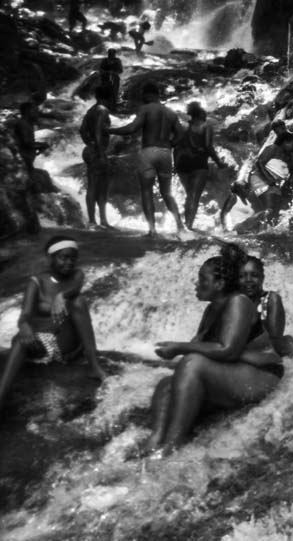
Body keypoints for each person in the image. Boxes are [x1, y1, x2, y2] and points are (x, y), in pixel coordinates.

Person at [144, 244, 282, 451]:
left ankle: (173, 444)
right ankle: (155, 441)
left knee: (193, 363)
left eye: (202, 279)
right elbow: (198, 345)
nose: (197, 284)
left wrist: (179, 348)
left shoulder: (239, 301)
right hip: (235, 373)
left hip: (260, 375)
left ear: (219, 283)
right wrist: (183, 349)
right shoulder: (211, 309)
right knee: (166, 384)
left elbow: (228, 350)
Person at [0, 237, 107, 414]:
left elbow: (76, 289)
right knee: (19, 340)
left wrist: (61, 296)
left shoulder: (77, 275)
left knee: (78, 302)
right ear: (50, 258)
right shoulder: (36, 282)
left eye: (73, 258)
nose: (69, 262)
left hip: (68, 343)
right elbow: (25, 315)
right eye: (63, 258)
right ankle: (1, 397)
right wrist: (25, 326)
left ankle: (94, 366)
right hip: (43, 343)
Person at [108, 82, 185, 237]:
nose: (142, 98)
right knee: (167, 193)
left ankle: (152, 230)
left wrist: (110, 130)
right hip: (165, 153)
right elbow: (181, 133)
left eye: (144, 95)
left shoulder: (145, 109)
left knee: (146, 191)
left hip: (148, 151)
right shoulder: (170, 113)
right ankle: (180, 227)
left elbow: (131, 128)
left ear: (150, 94)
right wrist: (171, 144)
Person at [238, 256, 293, 359]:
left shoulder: (271, 299)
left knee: (286, 342)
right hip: (244, 352)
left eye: (254, 275)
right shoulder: (232, 301)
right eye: (242, 276)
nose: (248, 280)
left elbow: (275, 339)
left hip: (272, 351)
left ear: (262, 278)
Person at [175, 101, 226, 230]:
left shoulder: (183, 127)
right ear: (201, 114)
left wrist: (175, 165)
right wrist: (219, 162)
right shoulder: (206, 126)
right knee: (194, 196)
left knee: (189, 195)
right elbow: (208, 146)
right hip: (198, 163)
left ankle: (184, 225)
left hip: (182, 163)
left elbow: (176, 147)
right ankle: (188, 226)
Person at [80, 85, 113, 228]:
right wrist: (100, 152)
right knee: (98, 186)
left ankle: (98, 221)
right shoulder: (102, 110)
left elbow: (81, 130)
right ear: (109, 97)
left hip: (90, 149)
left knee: (96, 185)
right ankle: (95, 222)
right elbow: (99, 131)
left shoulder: (91, 110)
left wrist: (89, 143)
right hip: (97, 151)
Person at [13, 101, 49, 171]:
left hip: (26, 161)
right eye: (35, 111)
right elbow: (26, 143)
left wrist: (39, 146)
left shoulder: (28, 124)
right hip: (23, 161)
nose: (37, 113)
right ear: (27, 111)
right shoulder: (23, 124)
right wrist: (42, 145)